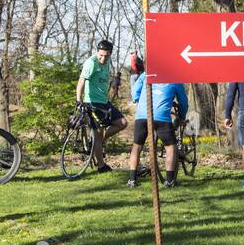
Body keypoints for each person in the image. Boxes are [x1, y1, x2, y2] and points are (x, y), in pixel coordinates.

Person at [126, 60, 188, 188]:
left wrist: (137, 100)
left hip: (142, 115)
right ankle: (170, 180)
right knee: (170, 147)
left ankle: (132, 180)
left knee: (137, 146)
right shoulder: (175, 78)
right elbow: (183, 102)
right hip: (162, 117)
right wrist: (182, 115)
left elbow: (134, 92)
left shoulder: (146, 74)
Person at [76, 39, 127, 172]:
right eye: (101, 55)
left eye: (107, 55)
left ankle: (96, 144)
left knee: (122, 123)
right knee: (98, 134)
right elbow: (81, 81)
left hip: (105, 101)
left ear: (110, 54)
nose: (103, 58)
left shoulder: (108, 61)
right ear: (97, 52)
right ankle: (101, 166)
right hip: (92, 102)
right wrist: (78, 100)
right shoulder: (91, 63)